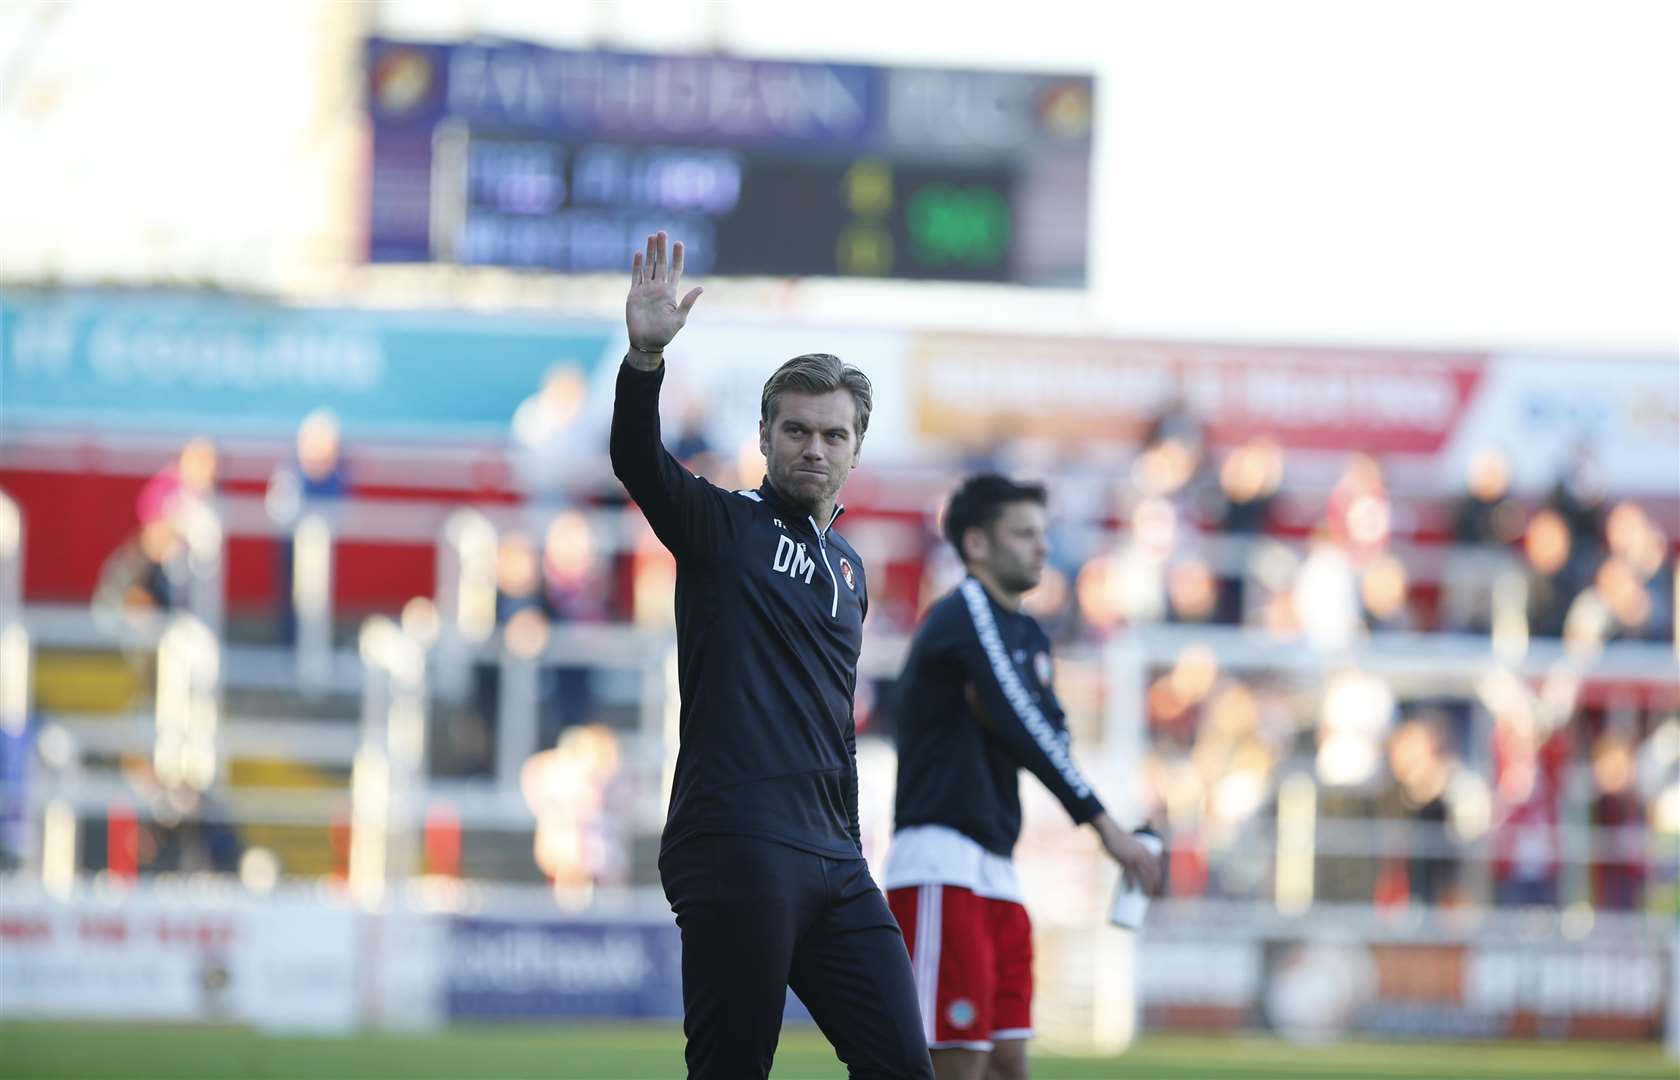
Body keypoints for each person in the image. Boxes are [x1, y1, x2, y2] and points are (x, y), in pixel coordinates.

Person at [610, 231, 931, 1080]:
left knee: (904, 1065)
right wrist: (645, 361)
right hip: (739, 844)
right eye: (796, 430)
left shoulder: (853, 569)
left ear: (857, 449)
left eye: (833, 434)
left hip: (837, 857)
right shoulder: (723, 527)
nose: (814, 448)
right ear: (764, 433)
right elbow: (637, 460)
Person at [882, 473, 1163, 1080]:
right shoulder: (965, 614)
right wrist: (1107, 829)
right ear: (977, 544)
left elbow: (1047, 731)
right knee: (956, 1063)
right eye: (1025, 534)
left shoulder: (1027, 634)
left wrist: (1020, 721)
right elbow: (1025, 721)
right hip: (941, 861)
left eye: (1044, 533)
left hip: (997, 865)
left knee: (1009, 1061)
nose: (1042, 547)